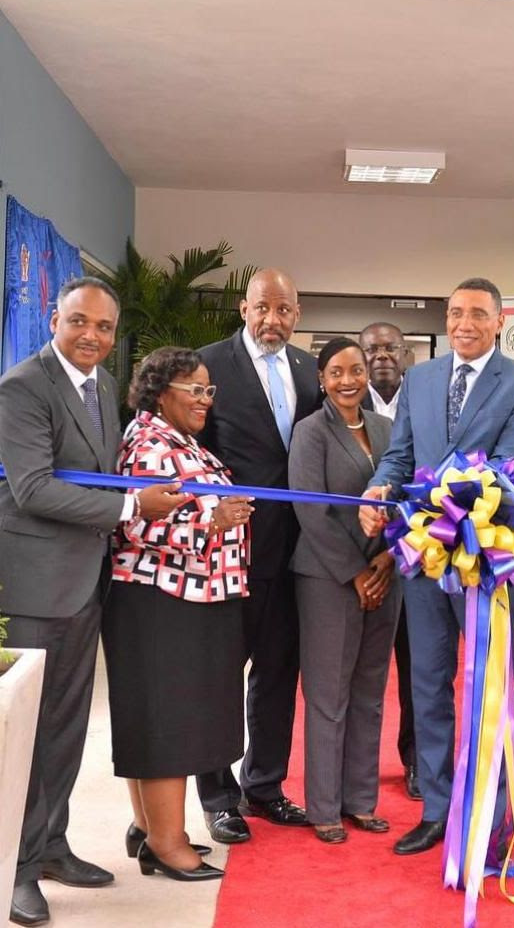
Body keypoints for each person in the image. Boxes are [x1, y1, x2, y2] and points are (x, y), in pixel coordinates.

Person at [0, 278, 185, 926]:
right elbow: (32, 489)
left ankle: (51, 845)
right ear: (55, 318)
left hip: (85, 580)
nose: (91, 336)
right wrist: (132, 505)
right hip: (36, 585)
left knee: (66, 727)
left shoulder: (103, 386)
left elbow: (101, 475)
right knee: (29, 733)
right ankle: (17, 870)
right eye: (79, 321)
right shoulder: (23, 386)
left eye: (104, 327)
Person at [359, 277, 514, 856]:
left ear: (499, 322)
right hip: (423, 555)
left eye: (478, 314)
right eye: (456, 312)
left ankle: (489, 816)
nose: (465, 323)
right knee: (427, 683)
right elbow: (399, 455)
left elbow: (508, 464)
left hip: (486, 555)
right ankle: (438, 810)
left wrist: (439, 499)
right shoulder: (419, 378)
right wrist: (378, 488)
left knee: (489, 687)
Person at [104, 347, 253, 882]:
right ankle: (167, 844)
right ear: (160, 391)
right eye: (194, 388)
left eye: (209, 390)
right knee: (166, 721)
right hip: (162, 601)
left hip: (185, 599)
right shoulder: (149, 443)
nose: (205, 399)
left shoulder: (176, 439)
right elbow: (138, 523)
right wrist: (214, 522)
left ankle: (149, 830)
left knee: (158, 719)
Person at [194, 268, 322, 842]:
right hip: (229, 549)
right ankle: (218, 797)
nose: (273, 319)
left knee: (278, 674)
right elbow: (188, 453)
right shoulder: (207, 366)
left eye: (284, 309)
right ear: (244, 309)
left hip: (296, 552)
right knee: (220, 676)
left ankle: (265, 787)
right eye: (263, 307)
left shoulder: (309, 370)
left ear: (297, 315)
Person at [289, 337, 401, 843]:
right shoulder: (310, 432)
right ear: (322, 379)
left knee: (370, 692)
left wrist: (387, 559)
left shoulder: (387, 429)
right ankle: (324, 808)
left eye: (356, 369)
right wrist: (356, 572)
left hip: (386, 572)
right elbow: (310, 511)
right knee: (328, 695)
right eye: (336, 372)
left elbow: (407, 497)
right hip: (328, 578)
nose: (348, 380)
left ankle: (360, 801)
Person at [358, 321, 421, 802]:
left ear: (406, 356)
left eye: (391, 348)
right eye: (372, 349)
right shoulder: (340, 403)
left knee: (420, 667)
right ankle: (357, 767)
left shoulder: (426, 403)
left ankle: (417, 760)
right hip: (359, 562)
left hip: (420, 556)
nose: (381, 355)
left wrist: (399, 550)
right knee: (363, 671)